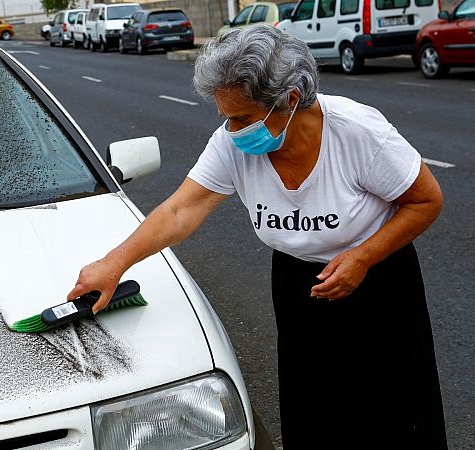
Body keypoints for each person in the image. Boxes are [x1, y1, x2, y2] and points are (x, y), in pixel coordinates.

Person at [67, 24, 448, 449]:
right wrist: (114, 263)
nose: (232, 131)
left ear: (288, 100)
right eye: (226, 118)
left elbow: (425, 201)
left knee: (395, 413)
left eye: (243, 118)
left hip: (378, 280)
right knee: (316, 411)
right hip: (300, 284)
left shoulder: (357, 133)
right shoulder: (231, 145)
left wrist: (363, 257)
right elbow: (181, 210)